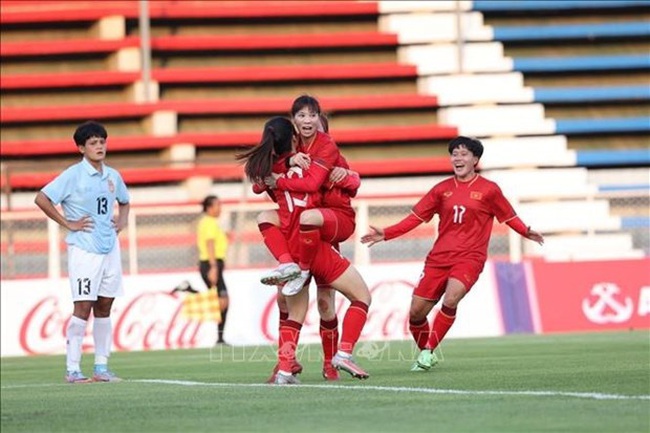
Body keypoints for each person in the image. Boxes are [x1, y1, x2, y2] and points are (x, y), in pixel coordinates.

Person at [361, 136, 544, 371]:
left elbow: (509, 216)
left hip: (470, 258)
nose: (458, 158)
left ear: (475, 159)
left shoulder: (489, 190)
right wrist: (386, 233)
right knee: (416, 314)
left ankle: (427, 352)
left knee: (451, 298)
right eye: (454, 154)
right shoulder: (442, 190)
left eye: (464, 154)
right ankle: (425, 351)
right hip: (438, 258)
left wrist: (525, 232)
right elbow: (415, 219)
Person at [237, 116, 371, 385]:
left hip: (307, 238)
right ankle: (297, 364)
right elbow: (313, 187)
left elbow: (258, 184)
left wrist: (347, 176)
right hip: (311, 241)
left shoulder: (290, 163)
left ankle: (305, 366)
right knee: (295, 306)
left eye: (317, 130)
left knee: (316, 307)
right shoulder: (304, 165)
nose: (312, 135)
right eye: (305, 128)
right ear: (296, 137)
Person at [34, 121, 130, 383]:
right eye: (93, 143)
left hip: (110, 247)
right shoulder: (73, 175)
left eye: (102, 141)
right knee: (83, 306)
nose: (99, 146)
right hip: (84, 250)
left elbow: (125, 200)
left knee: (105, 305)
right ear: (81, 148)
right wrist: (68, 223)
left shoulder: (112, 176)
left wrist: (122, 221)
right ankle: (73, 369)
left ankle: (101, 367)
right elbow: (41, 198)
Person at [196, 195, 230, 345]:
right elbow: (210, 244)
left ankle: (220, 338)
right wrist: (214, 267)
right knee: (222, 300)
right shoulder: (209, 222)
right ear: (209, 208)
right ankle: (220, 338)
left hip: (213, 264)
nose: (220, 208)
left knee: (222, 300)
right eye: (217, 205)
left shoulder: (210, 223)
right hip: (211, 264)